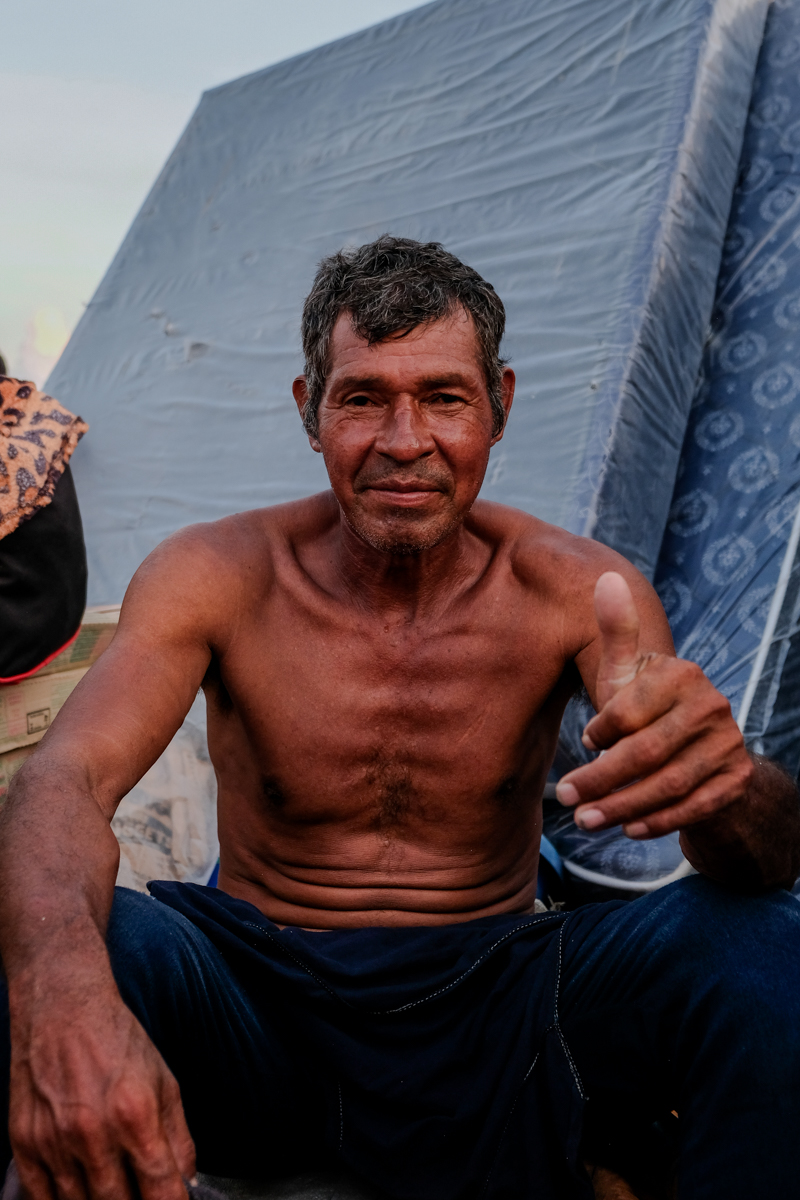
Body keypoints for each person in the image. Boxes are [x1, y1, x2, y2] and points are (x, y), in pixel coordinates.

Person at [1, 237, 799, 1200]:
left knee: (760, 940)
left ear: (498, 406)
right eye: (364, 397)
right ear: (310, 411)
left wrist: (724, 779)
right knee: (62, 944)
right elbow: (65, 780)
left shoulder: (575, 592)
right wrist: (64, 998)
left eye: (445, 398)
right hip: (259, 998)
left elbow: (758, 855)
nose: (405, 439)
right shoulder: (218, 575)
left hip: (499, 1002)